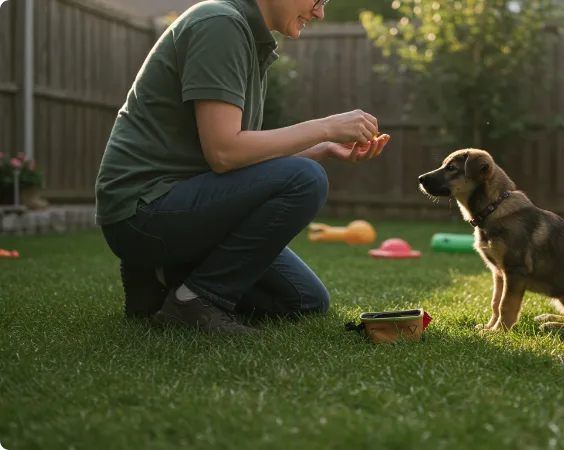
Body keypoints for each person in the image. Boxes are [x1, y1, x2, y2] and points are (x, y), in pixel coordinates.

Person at [94, 0, 389, 334]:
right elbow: (224, 153)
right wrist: (326, 126)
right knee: (307, 180)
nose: (320, 12)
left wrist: (322, 148)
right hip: (144, 210)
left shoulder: (246, 36)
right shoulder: (220, 24)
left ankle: (157, 277)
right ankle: (196, 301)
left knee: (304, 300)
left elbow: (240, 163)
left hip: (178, 203)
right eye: (317, 0)